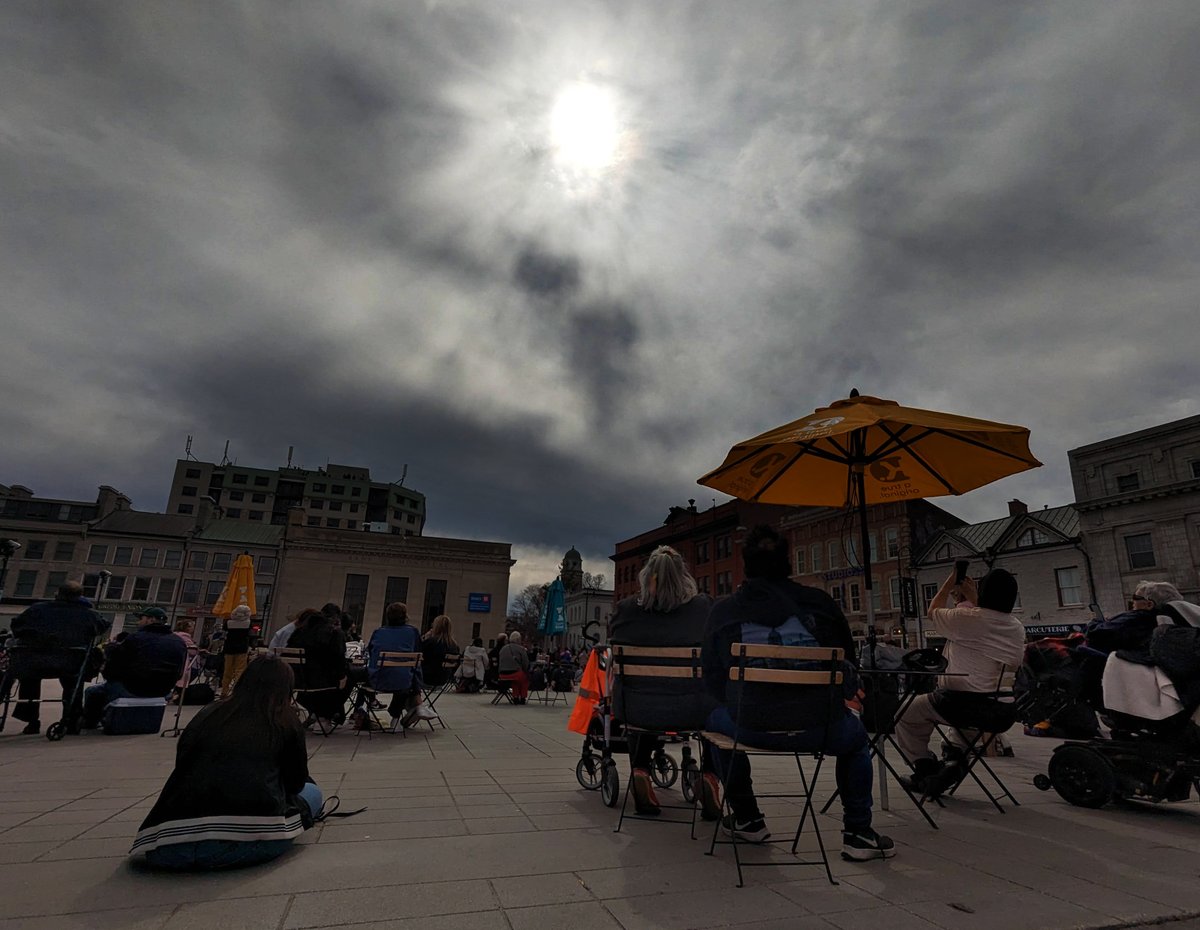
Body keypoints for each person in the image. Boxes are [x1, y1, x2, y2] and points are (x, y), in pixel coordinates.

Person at [703, 525, 894, 861]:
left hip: (751, 724)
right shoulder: (821, 605)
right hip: (820, 725)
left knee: (713, 723)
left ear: (745, 565)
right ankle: (858, 832)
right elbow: (847, 665)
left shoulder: (723, 611)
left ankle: (747, 818)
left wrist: (739, 701)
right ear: (788, 562)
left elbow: (712, 678)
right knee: (855, 739)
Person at [131, 655, 324, 870]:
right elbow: (295, 784)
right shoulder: (284, 720)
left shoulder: (208, 713)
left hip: (167, 846)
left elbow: (183, 762)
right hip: (247, 841)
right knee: (312, 792)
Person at [895, 567, 1025, 796]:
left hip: (962, 704)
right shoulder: (1016, 626)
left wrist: (949, 582)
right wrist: (974, 596)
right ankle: (953, 761)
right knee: (963, 727)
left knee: (906, 713)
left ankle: (924, 769)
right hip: (1003, 709)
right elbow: (988, 615)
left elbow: (933, 611)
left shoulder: (969, 619)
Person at [609, 545, 713, 815]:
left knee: (643, 699)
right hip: (692, 709)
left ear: (645, 576)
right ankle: (710, 776)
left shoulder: (625, 610)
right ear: (683, 575)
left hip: (636, 708)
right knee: (716, 707)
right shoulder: (703, 608)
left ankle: (640, 769)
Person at [5, 581, 111, 735]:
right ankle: (71, 719)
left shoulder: (37, 609)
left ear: (57, 594)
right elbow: (102, 626)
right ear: (80, 597)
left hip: (33, 661)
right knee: (73, 682)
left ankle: (31, 719)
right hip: (69, 662)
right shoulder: (88, 614)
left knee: (29, 678)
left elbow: (17, 626)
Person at [81, 607, 188, 728]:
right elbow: (179, 672)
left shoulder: (136, 638)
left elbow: (113, 668)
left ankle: (89, 723)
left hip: (133, 689)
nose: (138, 622)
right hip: (163, 691)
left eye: (141, 618)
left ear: (151, 620)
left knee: (93, 691)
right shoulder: (179, 642)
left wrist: (110, 653)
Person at [356, 601, 423, 727]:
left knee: (356, 674)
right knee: (405, 673)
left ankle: (356, 710)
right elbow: (418, 652)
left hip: (378, 680)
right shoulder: (413, 632)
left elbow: (370, 651)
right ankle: (397, 715)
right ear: (405, 616)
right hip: (405, 682)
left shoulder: (378, 632)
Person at [287, 608, 348, 728]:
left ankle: (313, 713)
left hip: (296, 680)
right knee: (346, 678)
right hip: (320, 681)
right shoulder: (333, 634)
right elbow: (338, 661)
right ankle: (326, 715)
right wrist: (342, 675)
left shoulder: (298, 633)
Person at [219, 604, 253, 699]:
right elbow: (250, 635)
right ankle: (237, 691)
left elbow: (224, 633)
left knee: (227, 671)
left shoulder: (228, 623)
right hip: (242, 649)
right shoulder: (248, 624)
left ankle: (224, 691)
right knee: (240, 671)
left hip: (229, 649)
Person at [421, 614, 460, 690]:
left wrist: (424, 638)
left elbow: (418, 653)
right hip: (444, 679)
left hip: (427, 678)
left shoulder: (431, 642)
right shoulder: (454, 645)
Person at [498, 631, 530, 703]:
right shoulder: (521, 649)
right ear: (519, 639)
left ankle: (515, 696)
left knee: (516, 680)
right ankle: (522, 697)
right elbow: (526, 663)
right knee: (524, 678)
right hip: (515, 674)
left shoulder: (503, 649)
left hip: (502, 675)